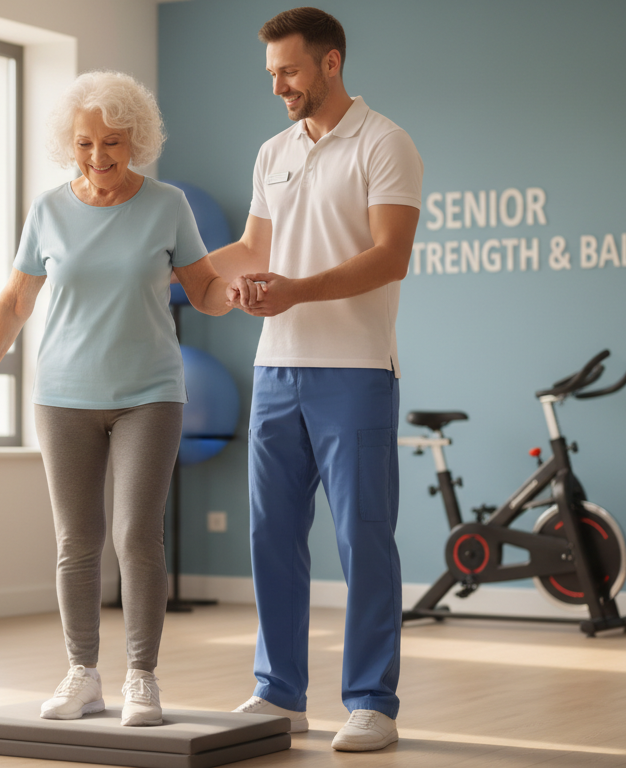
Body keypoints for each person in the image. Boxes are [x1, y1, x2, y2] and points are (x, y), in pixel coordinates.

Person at [0, 71, 230, 727]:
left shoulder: (167, 205)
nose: (98, 156)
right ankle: (83, 674)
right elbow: (15, 301)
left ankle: (142, 677)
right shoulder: (49, 210)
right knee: (76, 540)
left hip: (150, 393)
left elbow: (204, 290)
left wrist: (240, 294)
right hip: (63, 394)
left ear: (137, 139)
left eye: (112, 142)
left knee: (137, 534)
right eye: (85, 143)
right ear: (69, 143)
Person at [209, 7, 423, 753]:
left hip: (356, 371)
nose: (279, 87)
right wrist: (194, 275)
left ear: (331, 62)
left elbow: (390, 256)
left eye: (290, 71)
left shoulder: (385, 143)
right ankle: (279, 693)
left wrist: (296, 290)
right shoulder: (273, 152)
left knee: (364, 538)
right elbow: (254, 247)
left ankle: (371, 702)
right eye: (272, 74)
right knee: (271, 536)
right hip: (276, 369)